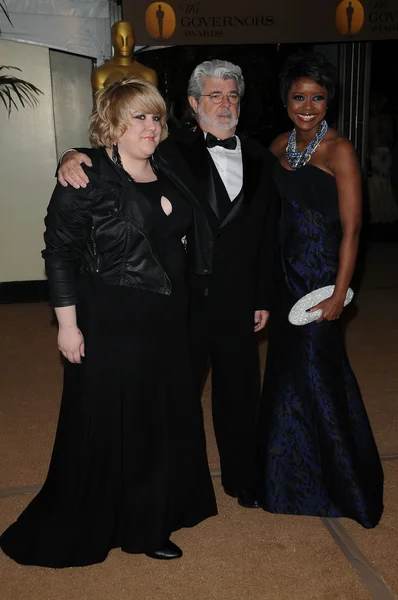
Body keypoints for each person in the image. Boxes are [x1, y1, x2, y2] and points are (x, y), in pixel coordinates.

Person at [0, 77, 217, 568]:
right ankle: (125, 524)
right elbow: (58, 254)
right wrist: (67, 326)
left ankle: (155, 514)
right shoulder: (85, 178)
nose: (151, 125)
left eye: (156, 116)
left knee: (162, 420)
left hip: (168, 317)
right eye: (138, 117)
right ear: (113, 125)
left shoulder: (169, 164)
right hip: (112, 320)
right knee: (118, 422)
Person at [57, 59, 279, 509]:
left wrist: (262, 295)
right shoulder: (167, 146)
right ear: (194, 103)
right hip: (183, 299)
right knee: (175, 398)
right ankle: (170, 484)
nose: (225, 103)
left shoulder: (260, 155)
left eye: (232, 95)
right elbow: (115, 150)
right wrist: (69, 156)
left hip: (238, 298)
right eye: (214, 95)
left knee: (240, 393)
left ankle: (244, 479)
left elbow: (267, 233)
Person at [256, 52, 384, 528]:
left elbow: (353, 230)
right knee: (288, 374)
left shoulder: (340, 150)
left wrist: (339, 294)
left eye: (317, 97)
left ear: (329, 101)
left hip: (321, 281)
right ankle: (287, 480)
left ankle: (342, 487)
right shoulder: (276, 146)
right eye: (298, 97)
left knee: (317, 373)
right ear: (286, 101)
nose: (307, 106)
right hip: (285, 279)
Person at [91, 21, 158, 95]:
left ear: (134, 39)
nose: (124, 44)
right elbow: (98, 105)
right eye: (119, 38)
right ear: (113, 40)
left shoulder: (148, 74)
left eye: (129, 39)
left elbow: (152, 105)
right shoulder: (100, 73)